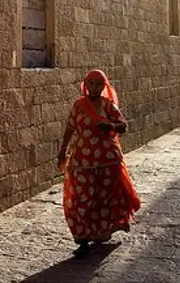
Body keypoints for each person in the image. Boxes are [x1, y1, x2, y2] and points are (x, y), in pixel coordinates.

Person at [57, 69, 140, 258]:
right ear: (85, 85)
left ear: (104, 86)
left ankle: (99, 232)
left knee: (102, 198)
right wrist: (62, 151)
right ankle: (83, 238)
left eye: (98, 84)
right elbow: (70, 128)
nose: (94, 88)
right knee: (79, 199)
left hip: (106, 161)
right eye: (91, 84)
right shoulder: (79, 105)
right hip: (81, 161)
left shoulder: (108, 105)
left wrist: (109, 125)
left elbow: (123, 125)